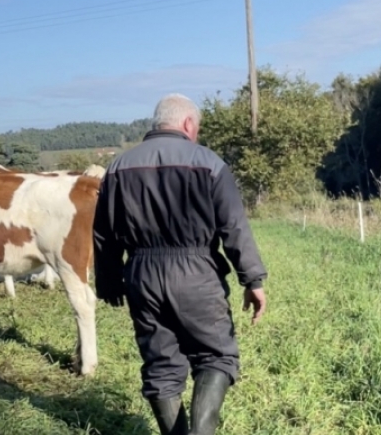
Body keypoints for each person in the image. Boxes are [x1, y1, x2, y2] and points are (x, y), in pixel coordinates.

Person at [92, 93, 268, 435]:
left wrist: (109, 282)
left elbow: (103, 232)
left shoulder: (118, 167)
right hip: (196, 272)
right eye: (196, 128)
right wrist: (253, 280)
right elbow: (233, 226)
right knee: (216, 357)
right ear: (188, 123)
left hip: (141, 275)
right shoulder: (209, 163)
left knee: (161, 367)